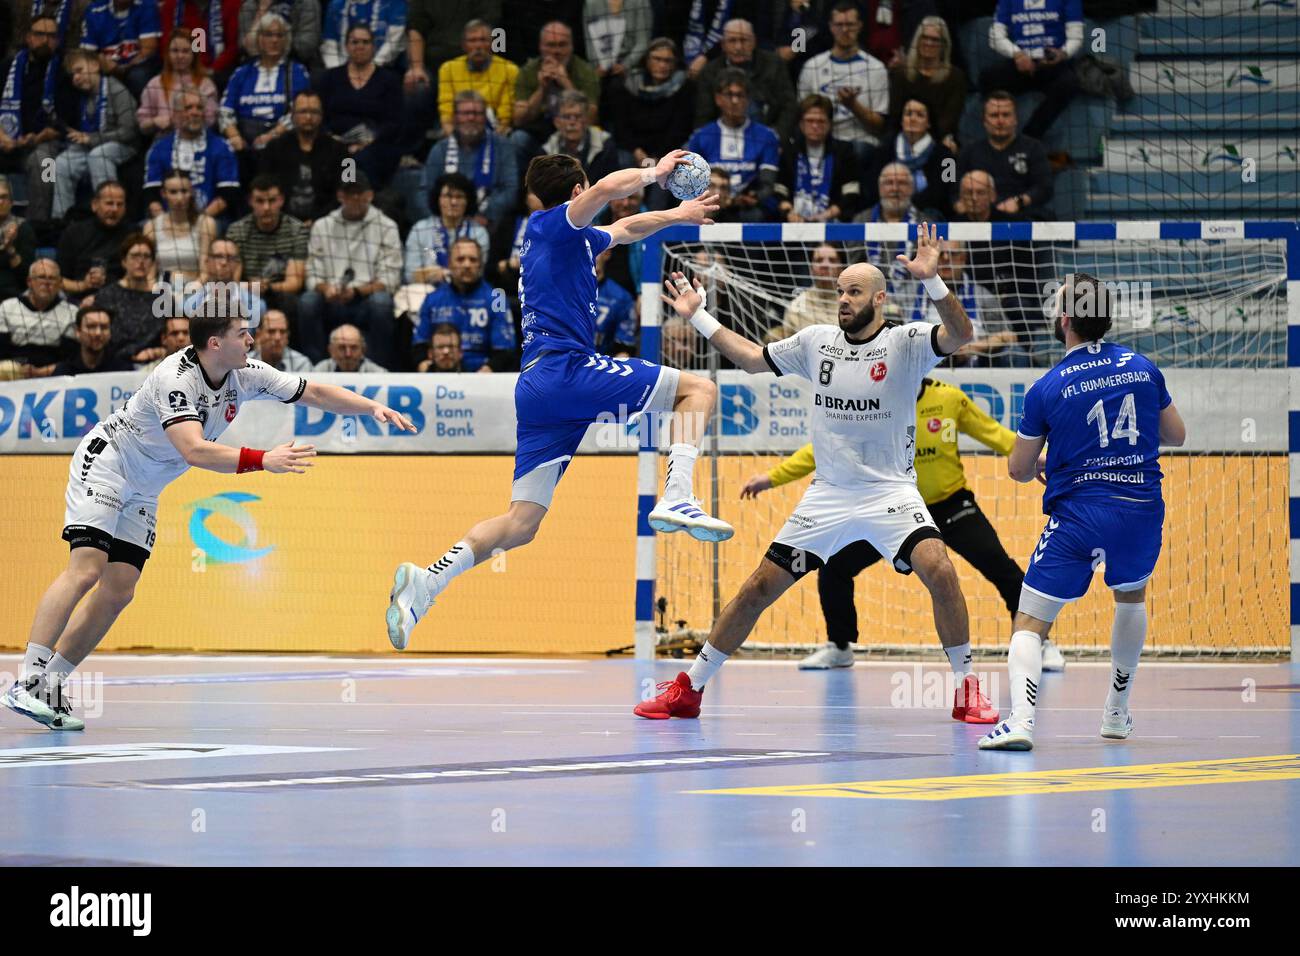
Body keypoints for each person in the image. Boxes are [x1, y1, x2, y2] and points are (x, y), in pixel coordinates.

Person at [635, 224, 999, 724]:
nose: (843, 299)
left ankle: (966, 689)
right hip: (827, 496)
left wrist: (934, 282)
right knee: (758, 588)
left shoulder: (907, 343)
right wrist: (697, 316)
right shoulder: (815, 342)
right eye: (838, 292)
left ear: (879, 297)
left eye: (853, 291)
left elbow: (961, 335)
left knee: (939, 568)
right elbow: (748, 359)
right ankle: (688, 689)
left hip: (890, 491)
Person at [0, 307, 415, 731]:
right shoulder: (174, 379)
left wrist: (371, 407)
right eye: (243, 334)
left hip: (145, 487)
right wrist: (263, 459)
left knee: (119, 589)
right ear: (215, 344)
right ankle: (27, 678)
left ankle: (49, 684)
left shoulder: (246, 373)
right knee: (86, 569)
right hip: (110, 462)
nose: (251, 340)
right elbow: (194, 450)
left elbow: (316, 393)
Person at [385, 150, 731, 651]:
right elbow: (609, 193)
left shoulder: (568, 241)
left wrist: (676, 215)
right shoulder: (554, 224)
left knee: (522, 524)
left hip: (537, 390)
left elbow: (626, 227)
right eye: (585, 191)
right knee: (700, 389)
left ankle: (427, 582)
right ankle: (679, 493)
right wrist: (654, 175)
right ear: (574, 193)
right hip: (566, 369)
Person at [979, 274, 1186, 751]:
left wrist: (1050, 461)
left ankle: (1022, 723)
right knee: (1130, 597)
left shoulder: (1047, 387)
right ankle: (1116, 713)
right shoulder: (1142, 367)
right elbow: (1175, 435)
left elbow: (1017, 468)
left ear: (1065, 320)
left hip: (1081, 514)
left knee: (1030, 620)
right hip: (1140, 508)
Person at [742, 377, 1051, 669]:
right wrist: (770, 478)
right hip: (893, 510)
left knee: (1002, 568)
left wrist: (1033, 455)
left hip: (950, 505)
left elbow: (992, 432)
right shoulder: (874, 405)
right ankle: (839, 647)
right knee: (835, 568)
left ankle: (1038, 642)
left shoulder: (947, 397)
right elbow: (822, 450)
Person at [300, 171, 401, 367]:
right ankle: (315, 368)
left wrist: (356, 291)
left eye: (359, 193)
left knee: (382, 303)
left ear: (369, 195)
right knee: (307, 302)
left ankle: (378, 369)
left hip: (365, 300)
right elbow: (312, 274)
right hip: (331, 300)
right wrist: (326, 289)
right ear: (340, 196)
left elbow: (390, 279)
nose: (355, 198)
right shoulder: (322, 226)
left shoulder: (387, 226)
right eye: (349, 193)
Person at [50, 52, 139, 221]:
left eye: (79, 70)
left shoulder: (117, 90)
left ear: (95, 66)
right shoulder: (82, 96)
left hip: (124, 145)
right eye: (73, 75)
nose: (76, 78)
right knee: (60, 164)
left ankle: (109, 215)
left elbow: (129, 131)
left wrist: (91, 139)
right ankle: (61, 221)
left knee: (99, 156)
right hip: (93, 144)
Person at [796, 3, 889, 164]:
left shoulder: (876, 68)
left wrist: (853, 105)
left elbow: (879, 127)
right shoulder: (812, 66)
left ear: (859, 26)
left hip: (860, 141)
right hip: (821, 139)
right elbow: (801, 115)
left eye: (850, 25)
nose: (845, 30)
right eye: (839, 25)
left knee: (853, 153)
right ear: (831, 27)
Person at [686, 69, 780, 223]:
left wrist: (751, 197)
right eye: (729, 95)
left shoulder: (766, 137)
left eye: (740, 95)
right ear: (718, 99)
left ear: (748, 99)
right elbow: (692, 184)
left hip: (746, 209)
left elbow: (767, 184)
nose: (735, 101)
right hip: (708, 206)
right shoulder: (701, 137)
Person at [315, 22, 403, 185]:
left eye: (365, 42)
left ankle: (359, 200)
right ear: (346, 46)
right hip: (334, 143)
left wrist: (369, 141)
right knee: (335, 158)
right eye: (355, 42)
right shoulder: (329, 78)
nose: (360, 46)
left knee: (357, 161)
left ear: (373, 46)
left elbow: (394, 122)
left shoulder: (389, 80)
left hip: (375, 146)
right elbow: (319, 116)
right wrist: (332, 139)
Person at [419, 90, 518, 235]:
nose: (471, 117)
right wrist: (439, 219)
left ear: (485, 117)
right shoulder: (440, 149)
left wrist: (486, 215)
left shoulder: (503, 147)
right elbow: (424, 191)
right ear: (455, 117)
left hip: (489, 225)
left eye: (477, 113)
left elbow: (510, 190)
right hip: (444, 223)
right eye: (465, 113)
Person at [983, 0, 1083, 141]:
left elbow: (1076, 38)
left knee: (1070, 83)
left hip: (1053, 65)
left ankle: (1029, 137)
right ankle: (1000, 130)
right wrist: (1017, 54)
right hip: (1020, 62)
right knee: (988, 78)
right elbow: (995, 37)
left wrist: (1063, 53)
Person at [412, 237, 515, 372]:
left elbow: (506, 349)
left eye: (473, 260)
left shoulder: (497, 298)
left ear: (480, 265)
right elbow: (419, 345)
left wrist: (487, 371)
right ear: (449, 264)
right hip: (440, 373)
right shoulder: (432, 299)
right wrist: (424, 367)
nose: (467, 265)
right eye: (460, 259)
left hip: (482, 375)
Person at [218, 12, 309, 160]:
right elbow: (225, 110)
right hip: (243, 140)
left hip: (282, 141)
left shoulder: (297, 72)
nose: (274, 40)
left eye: (279, 35)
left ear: (286, 40)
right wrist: (234, 136)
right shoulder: (242, 72)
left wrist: (272, 135)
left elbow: (298, 112)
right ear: (259, 39)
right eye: (268, 35)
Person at [0, 15, 63, 225]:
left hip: (46, 142)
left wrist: (35, 139)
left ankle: (40, 226)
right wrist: (3, 137)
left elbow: (64, 123)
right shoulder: (8, 65)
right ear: (29, 38)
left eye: (51, 35)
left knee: (47, 165)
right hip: (6, 139)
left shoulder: (64, 70)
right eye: (40, 34)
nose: (45, 40)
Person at [142, 88, 241, 220]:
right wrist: (165, 223)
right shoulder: (159, 148)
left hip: (209, 219)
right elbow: (151, 193)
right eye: (188, 108)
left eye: (199, 108)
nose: (195, 112)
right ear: (175, 114)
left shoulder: (222, 147)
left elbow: (227, 193)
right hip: (167, 221)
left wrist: (199, 222)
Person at [694, 19, 796, 144]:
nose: (738, 47)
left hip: (768, 135)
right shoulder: (710, 71)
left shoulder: (774, 64)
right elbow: (703, 115)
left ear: (754, 42)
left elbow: (789, 107)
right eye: (732, 41)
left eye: (744, 40)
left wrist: (776, 137)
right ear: (723, 45)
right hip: (723, 140)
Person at [257, 90, 347, 228]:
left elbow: (349, 186)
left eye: (314, 112)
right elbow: (263, 185)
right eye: (303, 112)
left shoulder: (341, 150)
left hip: (329, 223)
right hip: (280, 223)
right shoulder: (274, 147)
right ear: (292, 116)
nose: (309, 117)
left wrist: (319, 219)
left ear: (322, 115)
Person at [956, 92, 1054, 221]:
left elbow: (1045, 187)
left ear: (1015, 120)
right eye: (994, 115)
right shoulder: (969, 151)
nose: (1000, 121)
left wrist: (1019, 201)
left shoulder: (1033, 148)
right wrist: (957, 203)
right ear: (984, 121)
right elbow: (951, 181)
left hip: (1020, 216)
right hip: (979, 219)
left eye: (1006, 115)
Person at [511, 22, 600, 162]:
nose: (556, 51)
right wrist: (542, 89)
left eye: (562, 45)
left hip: (575, 129)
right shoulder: (528, 71)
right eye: (551, 45)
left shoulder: (585, 71)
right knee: (518, 139)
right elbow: (519, 120)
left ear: (571, 46)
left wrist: (565, 81)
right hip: (539, 130)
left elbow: (590, 118)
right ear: (541, 46)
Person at [603, 38, 696, 172]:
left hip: (667, 151)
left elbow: (679, 129)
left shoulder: (685, 87)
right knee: (621, 158)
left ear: (675, 63)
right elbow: (621, 125)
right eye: (657, 59)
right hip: (632, 149)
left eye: (667, 61)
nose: (662, 65)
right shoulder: (628, 84)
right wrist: (636, 151)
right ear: (647, 60)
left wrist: (658, 157)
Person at [224, 175, 307, 320]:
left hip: (279, 293)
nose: (266, 207)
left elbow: (295, 283)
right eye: (260, 201)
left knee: (291, 302)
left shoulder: (297, 230)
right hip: (246, 290)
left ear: (281, 200)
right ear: (250, 201)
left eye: (272, 201)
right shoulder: (236, 231)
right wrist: (251, 286)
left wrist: (267, 287)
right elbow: (232, 281)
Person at [775, 94, 861, 224]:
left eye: (821, 121)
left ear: (830, 124)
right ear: (801, 124)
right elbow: (779, 190)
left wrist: (829, 213)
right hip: (794, 224)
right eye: (810, 121)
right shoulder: (789, 152)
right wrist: (789, 212)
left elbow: (851, 193)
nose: (815, 126)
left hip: (831, 221)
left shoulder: (844, 151)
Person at [887, 17, 966, 151]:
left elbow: (950, 119)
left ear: (944, 45)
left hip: (940, 139)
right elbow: (895, 115)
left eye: (935, 39)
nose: (929, 43)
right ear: (917, 41)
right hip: (904, 137)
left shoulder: (955, 77)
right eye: (924, 37)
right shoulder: (901, 74)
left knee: (949, 159)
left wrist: (924, 140)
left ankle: (948, 172)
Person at [866, 98, 954, 218]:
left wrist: (907, 205)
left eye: (920, 115)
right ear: (902, 121)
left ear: (929, 123)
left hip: (929, 213)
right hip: (887, 210)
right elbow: (872, 187)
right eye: (908, 114)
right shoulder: (882, 151)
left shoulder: (947, 157)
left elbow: (945, 189)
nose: (912, 119)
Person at [92, 232, 168, 365]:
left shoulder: (162, 299)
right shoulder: (107, 296)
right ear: (124, 261)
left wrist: (157, 352)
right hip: (113, 364)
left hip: (154, 364)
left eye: (146, 256)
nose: (141, 261)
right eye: (135, 256)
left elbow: (171, 338)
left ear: (152, 262)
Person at [435, 18, 518, 136]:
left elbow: (505, 114)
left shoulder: (509, 69)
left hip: (495, 128)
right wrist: (450, 131)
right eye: (472, 41)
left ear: (492, 43)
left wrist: (497, 134)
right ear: (464, 45)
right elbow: (446, 107)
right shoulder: (448, 69)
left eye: (483, 40)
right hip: (459, 126)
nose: (478, 46)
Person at [405, 173, 491, 287]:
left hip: (465, 291)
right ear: (438, 199)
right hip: (426, 291)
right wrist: (438, 274)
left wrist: (438, 273)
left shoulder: (479, 233)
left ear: (468, 201)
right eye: (448, 196)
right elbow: (410, 275)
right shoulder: (420, 229)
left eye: (459, 196)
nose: (453, 202)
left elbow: (477, 274)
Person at [136, 30, 220, 141]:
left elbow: (211, 121)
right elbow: (142, 126)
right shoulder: (154, 84)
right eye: (175, 51)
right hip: (164, 144)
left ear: (193, 54)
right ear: (168, 54)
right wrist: (155, 121)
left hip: (200, 142)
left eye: (185, 51)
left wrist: (181, 121)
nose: (180, 56)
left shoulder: (206, 85)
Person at [0, 257, 76, 379]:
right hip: (11, 375)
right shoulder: (7, 307)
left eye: (52, 278)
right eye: (41, 277)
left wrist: (40, 372)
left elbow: (70, 358)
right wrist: (16, 370)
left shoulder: (71, 312)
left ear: (60, 283)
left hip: (54, 376)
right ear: (29, 281)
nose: (46, 282)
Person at [56, 181, 133, 301]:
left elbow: (141, 278)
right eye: (109, 203)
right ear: (94, 205)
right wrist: (83, 285)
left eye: (120, 204)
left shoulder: (133, 235)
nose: (114, 209)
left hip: (122, 299)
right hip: (79, 299)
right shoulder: (74, 232)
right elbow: (59, 280)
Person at [143, 168, 216, 282]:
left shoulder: (206, 224)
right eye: (173, 192)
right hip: (161, 291)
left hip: (196, 289)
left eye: (184, 191)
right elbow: (149, 274)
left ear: (191, 192)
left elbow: (205, 273)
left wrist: (187, 293)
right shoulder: (151, 227)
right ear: (163, 194)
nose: (180, 198)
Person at [80, 0, 162, 99]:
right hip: (106, 67)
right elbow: (87, 52)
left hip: (139, 66)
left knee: (137, 76)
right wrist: (101, 61)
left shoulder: (147, 5)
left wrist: (122, 69)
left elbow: (148, 49)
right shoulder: (94, 10)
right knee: (84, 75)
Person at [539, 90, 623, 185]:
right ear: (557, 122)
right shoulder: (547, 150)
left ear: (586, 120)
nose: (572, 122)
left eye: (577, 116)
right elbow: (535, 194)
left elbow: (615, 185)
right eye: (567, 117)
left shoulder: (604, 145)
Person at [160, 0, 243, 79]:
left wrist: (211, 70)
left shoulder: (231, 3)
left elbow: (233, 47)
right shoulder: (171, 5)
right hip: (180, 69)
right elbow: (166, 45)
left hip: (219, 72)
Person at [320, 0, 407, 70]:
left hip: (386, 67)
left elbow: (394, 42)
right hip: (343, 68)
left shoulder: (394, 2)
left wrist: (372, 69)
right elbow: (329, 44)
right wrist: (337, 71)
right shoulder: (336, 4)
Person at [51, 304, 135, 375]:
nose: (98, 333)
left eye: (104, 327)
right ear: (78, 332)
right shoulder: (64, 371)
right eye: (91, 327)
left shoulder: (123, 370)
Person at [779, 242, 841, 337]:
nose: (825, 265)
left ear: (841, 268)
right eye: (819, 260)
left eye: (832, 260)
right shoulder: (797, 306)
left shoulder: (852, 303)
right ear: (811, 268)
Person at [238, 0, 321, 66]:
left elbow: (306, 46)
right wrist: (262, 9)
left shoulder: (307, 3)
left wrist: (275, 48)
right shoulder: (250, 5)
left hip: (296, 63)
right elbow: (244, 46)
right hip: (256, 64)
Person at [0, 175, 37, 302]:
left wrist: (10, 249)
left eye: (4, 197)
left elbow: (26, 277)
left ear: (11, 202)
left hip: (12, 298)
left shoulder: (23, 229)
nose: (0, 202)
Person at [314, 323, 386, 372]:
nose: (348, 354)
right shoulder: (319, 372)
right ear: (331, 350)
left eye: (354, 348)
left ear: (363, 350)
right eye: (342, 348)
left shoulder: (379, 375)